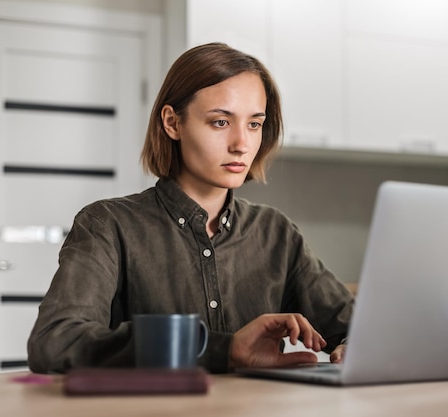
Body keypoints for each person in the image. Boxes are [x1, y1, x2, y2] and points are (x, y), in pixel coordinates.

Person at [27, 42, 354, 374]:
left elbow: (353, 324)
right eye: (220, 122)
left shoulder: (276, 233)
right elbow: (56, 341)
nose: (242, 144)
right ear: (172, 123)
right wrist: (222, 350)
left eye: (254, 124)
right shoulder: (107, 225)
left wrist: (353, 345)